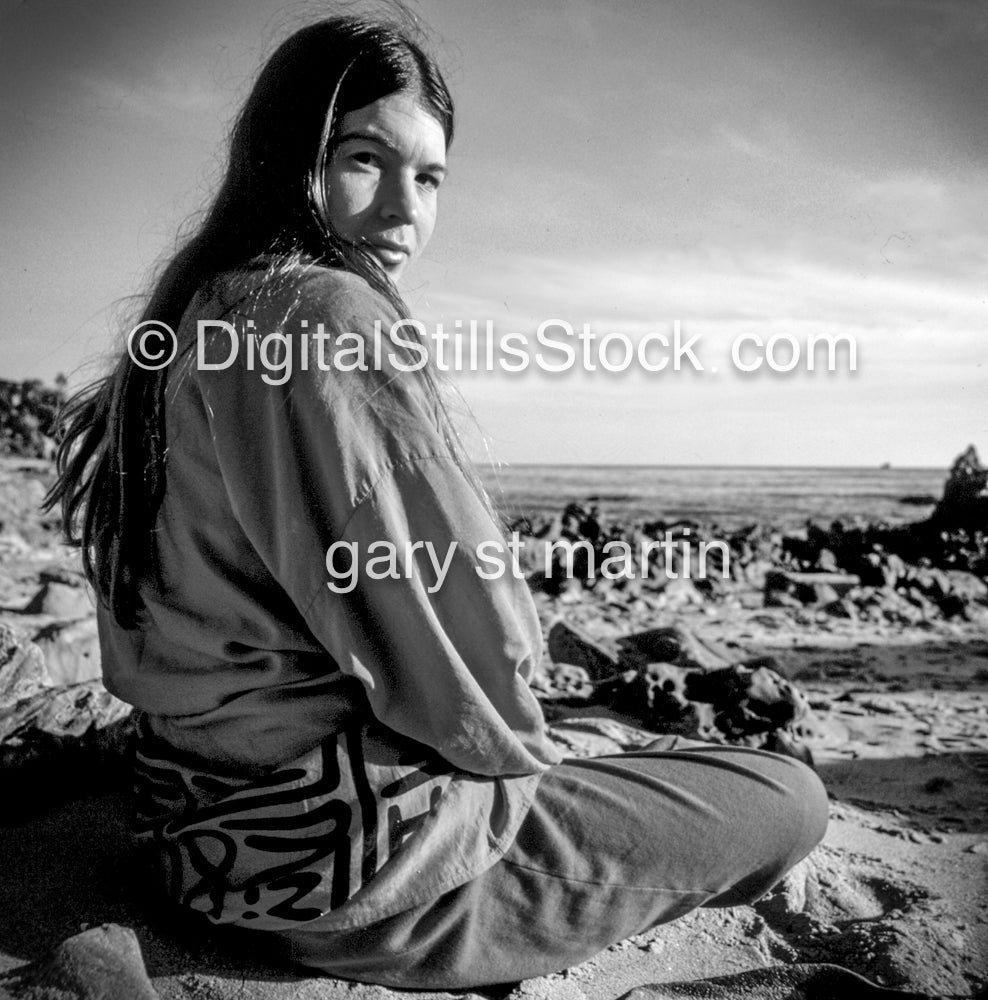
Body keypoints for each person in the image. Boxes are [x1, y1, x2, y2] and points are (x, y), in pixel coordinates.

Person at [46, 11, 828, 991]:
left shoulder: (192, 312)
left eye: (429, 177)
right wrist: (523, 732)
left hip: (187, 822)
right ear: (291, 158)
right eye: (365, 160)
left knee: (613, 751)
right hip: (352, 872)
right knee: (783, 794)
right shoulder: (325, 314)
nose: (404, 210)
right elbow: (458, 640)